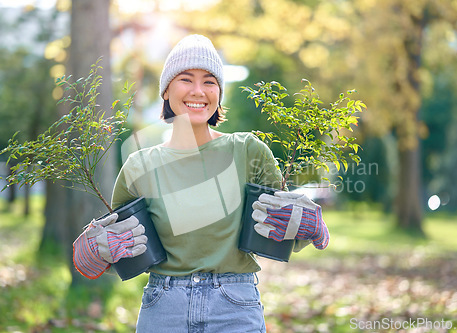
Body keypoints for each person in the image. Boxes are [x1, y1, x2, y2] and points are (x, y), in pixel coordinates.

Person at [72, 34, 330, 333]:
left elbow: (281, 229)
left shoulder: (247, 150)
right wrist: (95, 249)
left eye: (209, 81)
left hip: (234, 306)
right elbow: (120, 250)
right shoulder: (138, 167)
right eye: (186, 79)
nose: (198, 90)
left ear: (219, 92)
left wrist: (309, 225)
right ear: (166, 90)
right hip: (164, 308)